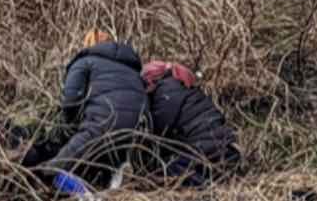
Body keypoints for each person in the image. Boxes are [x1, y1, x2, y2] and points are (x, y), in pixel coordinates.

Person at [43, 30, 151, 187]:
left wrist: (68, 130)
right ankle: (114, 182)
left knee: (52, 170)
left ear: (88, 45)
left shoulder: (84, 62)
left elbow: (71, 102)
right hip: (139, 131)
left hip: (102, 124)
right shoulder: (133, 70)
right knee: (102, 167)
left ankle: (85, 196)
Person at [141, 60, 239, 186]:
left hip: (205, 148)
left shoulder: (167, 90)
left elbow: (161, 129)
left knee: (161, 176)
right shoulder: (184, 87)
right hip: (223, 146)